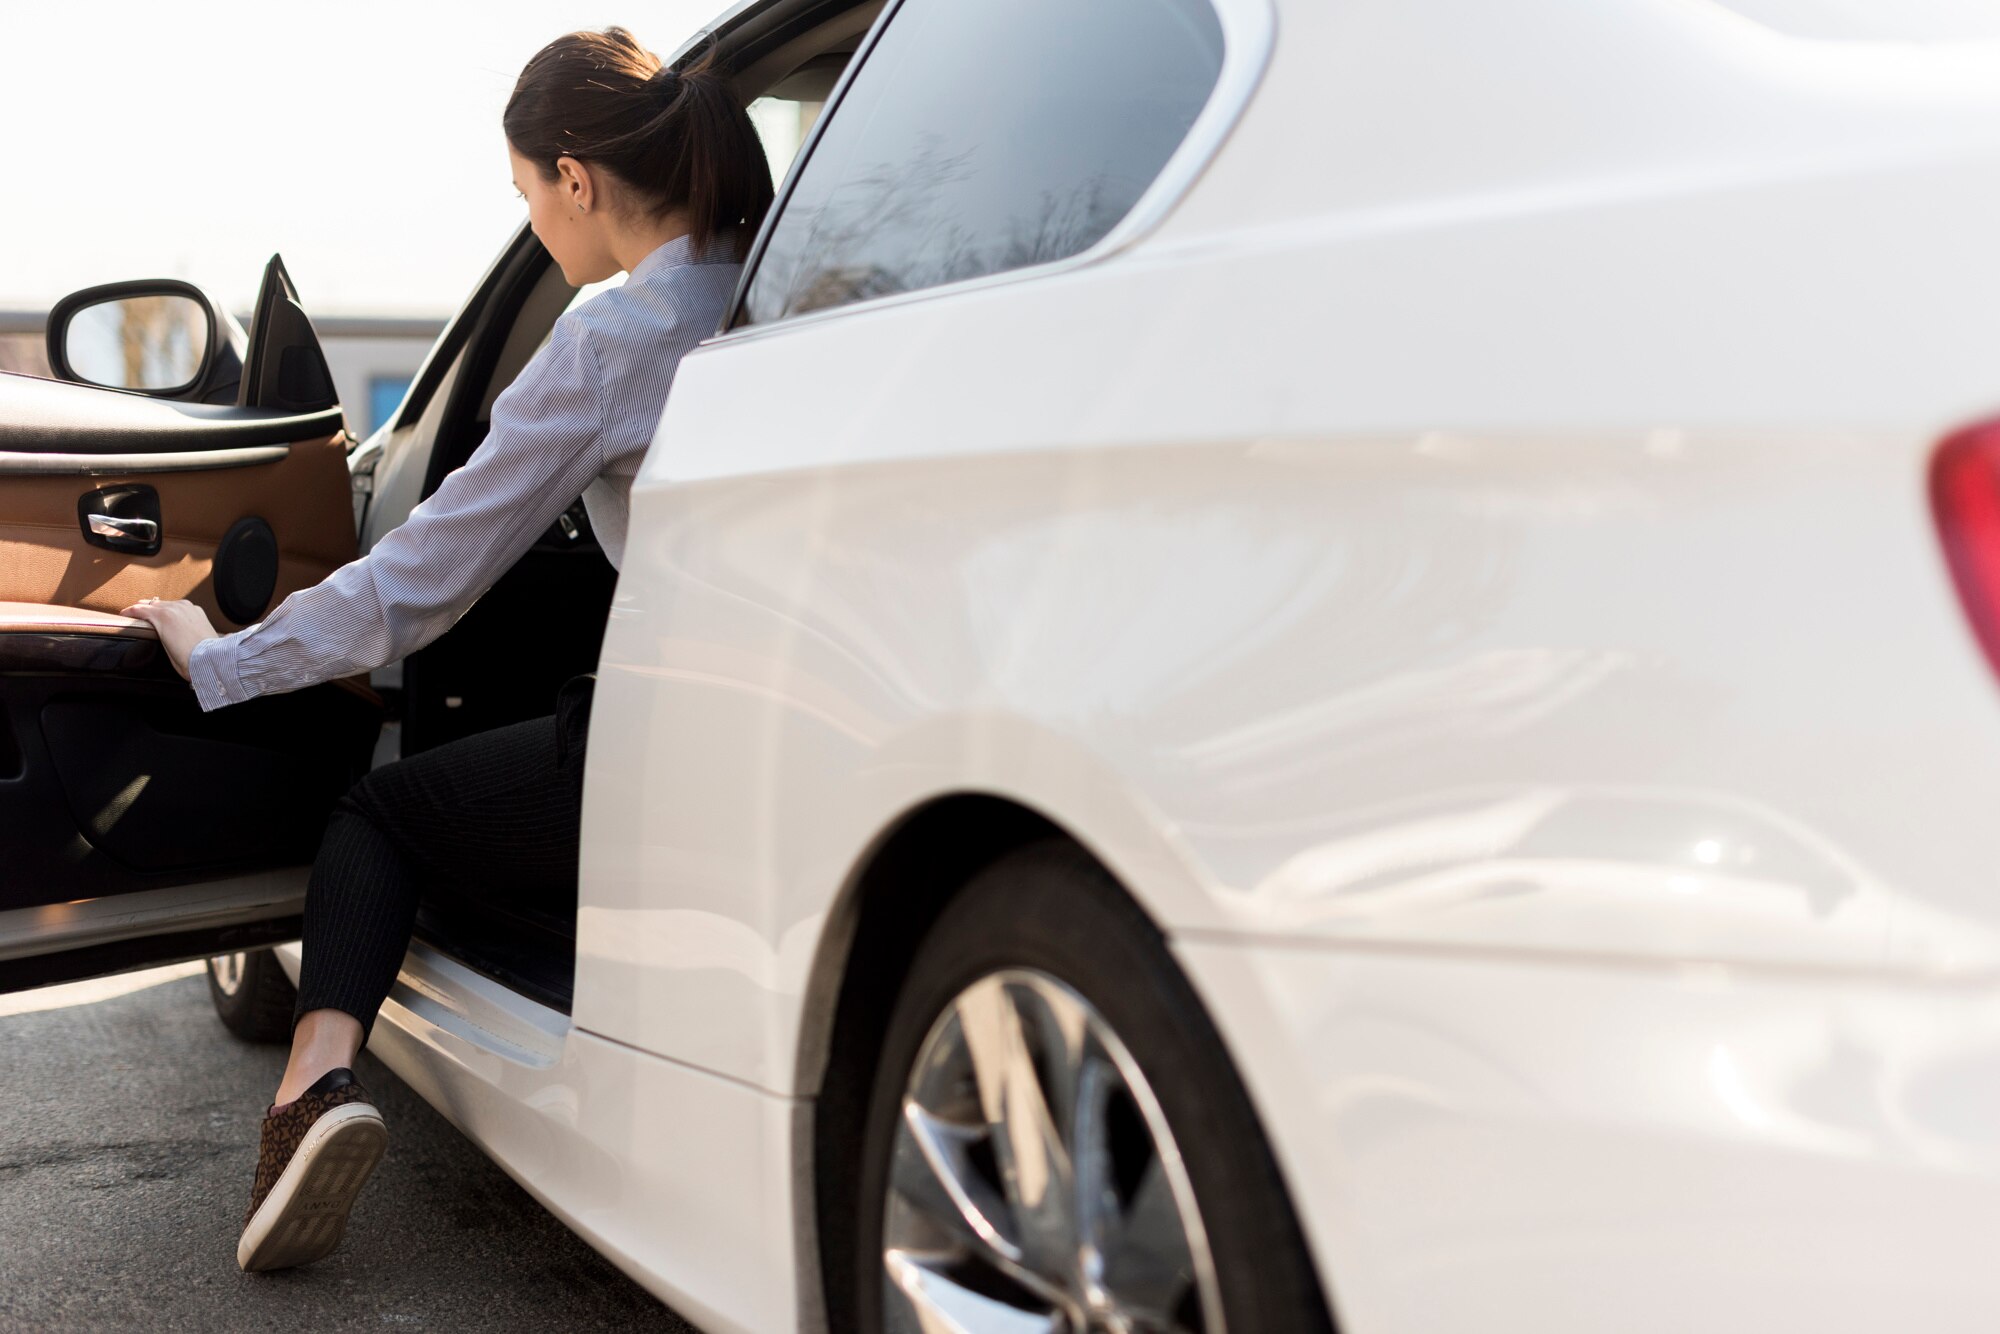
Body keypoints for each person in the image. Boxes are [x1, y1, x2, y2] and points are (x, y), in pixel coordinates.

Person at [120, 26, 774, 1274]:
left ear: (575, 179)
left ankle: (311, 1087)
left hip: (666, 737)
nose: (533, 227)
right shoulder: (785, 289)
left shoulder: (608, 339)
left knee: (381, 814)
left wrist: (223, 659)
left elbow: (416, 587)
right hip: (803, 716)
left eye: (527, 194)